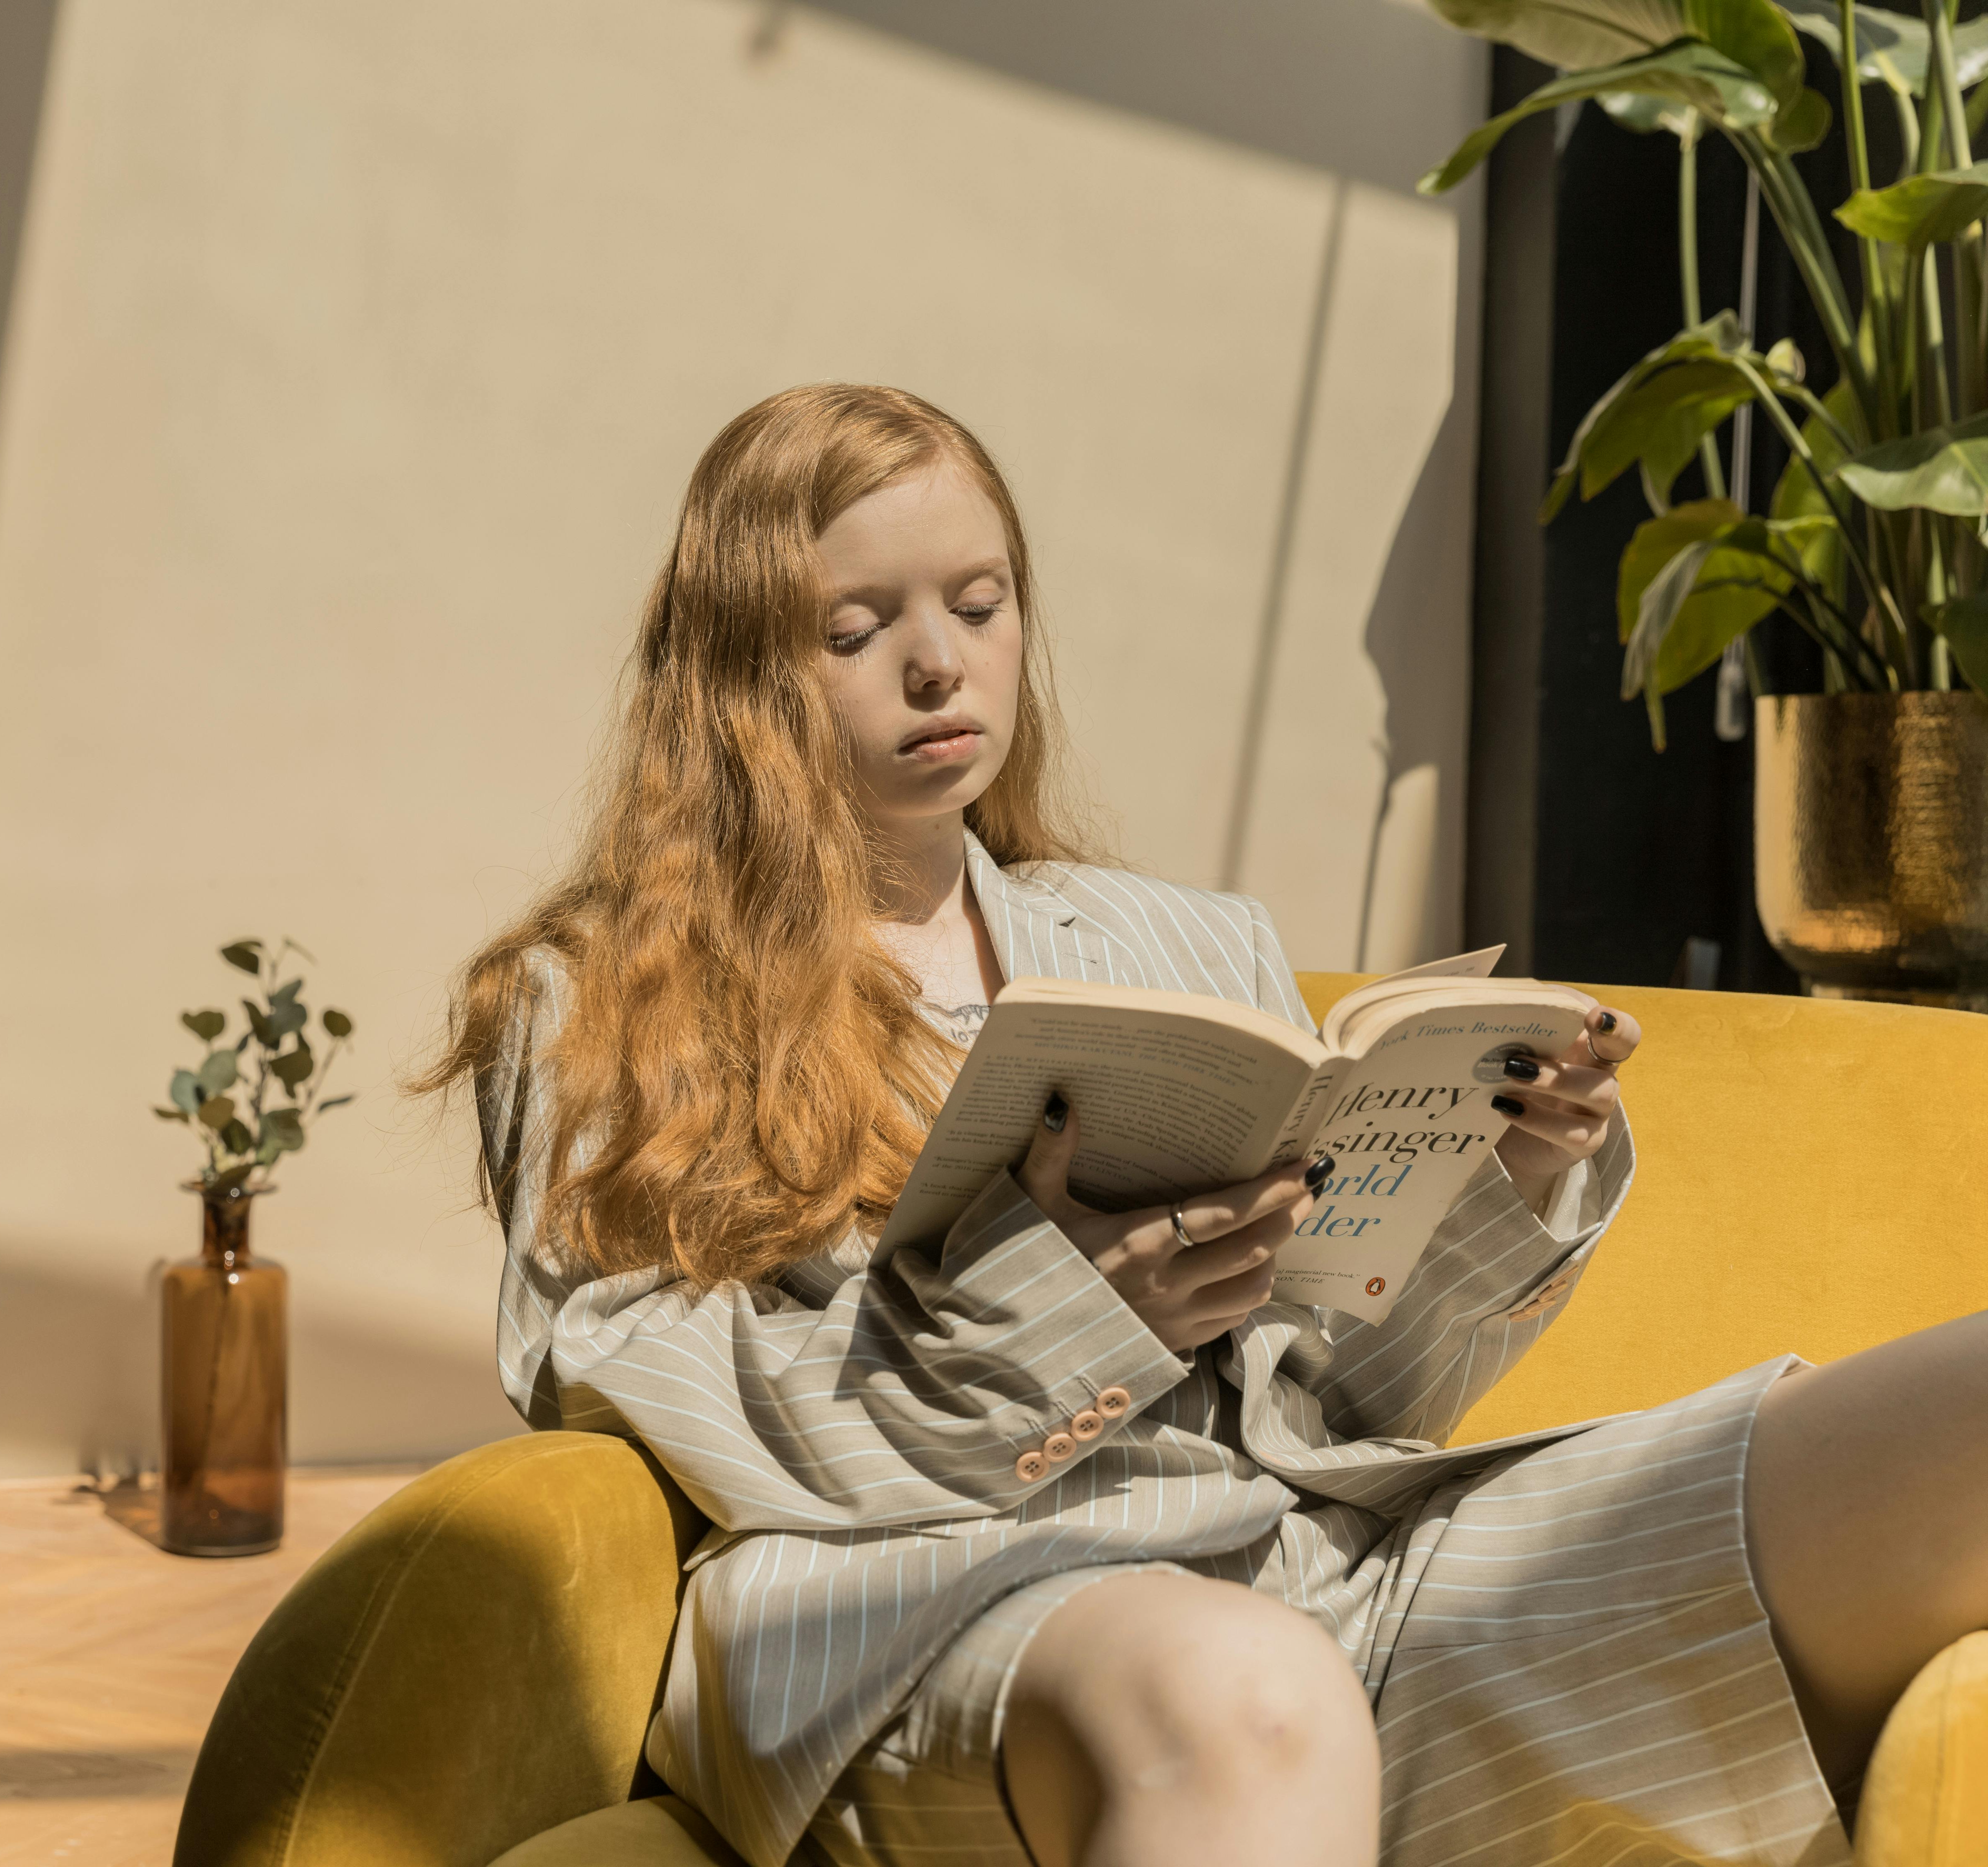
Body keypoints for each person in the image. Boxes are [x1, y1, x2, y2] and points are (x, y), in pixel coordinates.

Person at [418, 384, 1984, 1867]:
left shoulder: (1181, 945)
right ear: (739, 672)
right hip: (910, 1605)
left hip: (1317, 1565)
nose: (940, 666)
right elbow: (644, 1395)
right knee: (1250, 1690)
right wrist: (1060, 1316)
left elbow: (1339, 1399)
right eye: (854, 628)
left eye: (979, 604)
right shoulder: (604, 999)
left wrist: (1494, 1176)